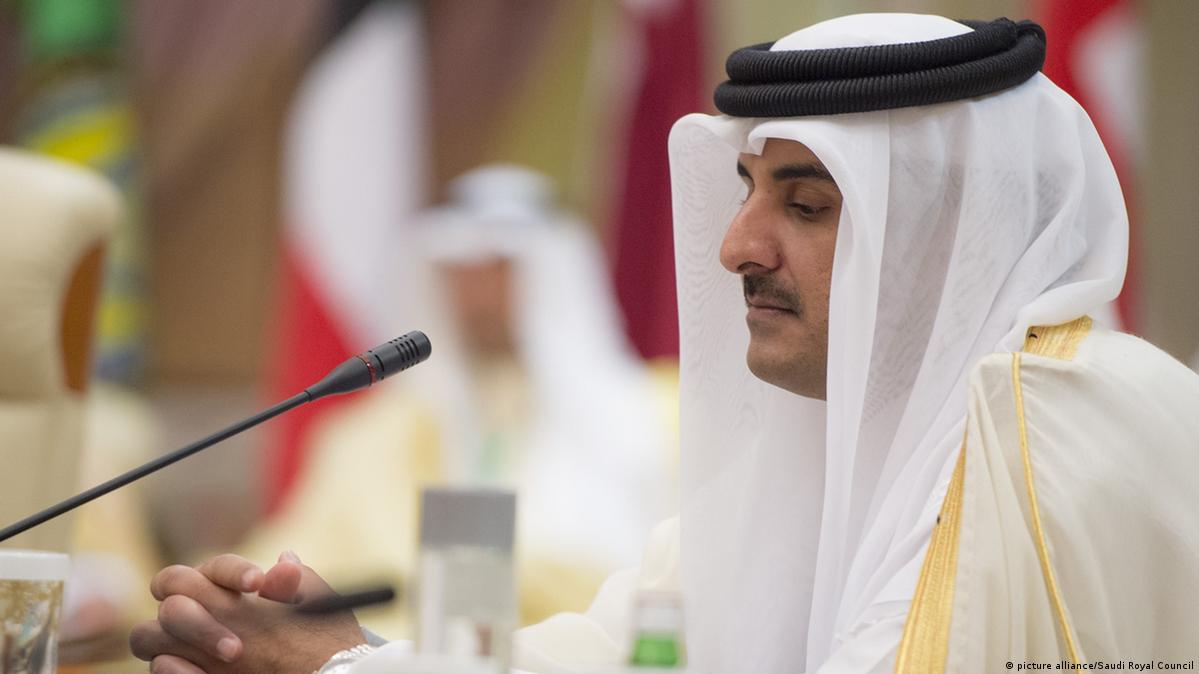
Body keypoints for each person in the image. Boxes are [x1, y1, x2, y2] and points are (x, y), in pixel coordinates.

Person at [129, 14, 1199, 674]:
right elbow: (611, 659)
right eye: (745, 191)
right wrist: (346, 657)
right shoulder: (820, 439)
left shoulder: (1062, 425)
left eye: (807, 205)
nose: (735, 246)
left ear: (942, 231)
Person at [232, 164, 676, 636]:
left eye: (499, 271)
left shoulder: (656, 418)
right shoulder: (373, 434)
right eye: (459, 275)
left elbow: (664, 577)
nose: (476, 296)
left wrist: (503, 578)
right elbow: (289, 558)